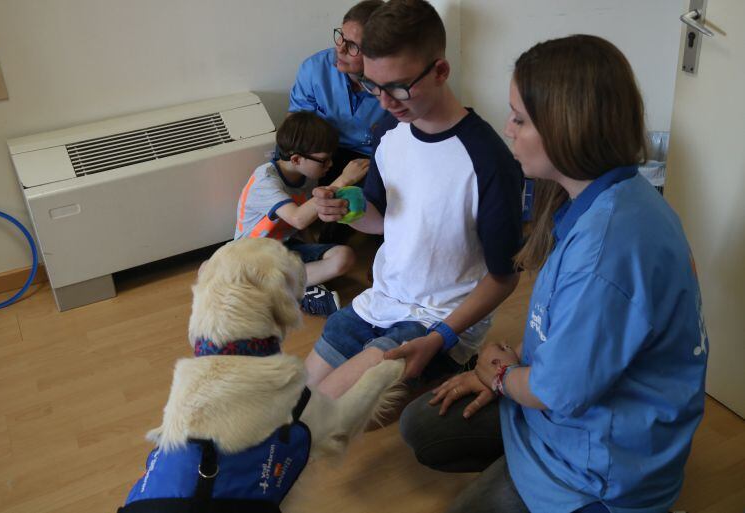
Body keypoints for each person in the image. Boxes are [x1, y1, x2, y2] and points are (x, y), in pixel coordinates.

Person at [399, 34, 709, 513]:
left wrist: (500, 375)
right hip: (563, 415)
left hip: (601, 469)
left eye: (520, 119)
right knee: (423, 424)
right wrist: (510, 367)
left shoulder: (608, 248)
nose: (508, 128)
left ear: (570, 127)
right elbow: (577, 340)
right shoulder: (609, 197)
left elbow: (556, 391)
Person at [304, 0, 524, 398]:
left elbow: (504, 277)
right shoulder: (389, 131)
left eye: (398, 87)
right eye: (373, 85)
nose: (385, 101)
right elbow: (380, 220)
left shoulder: (489, 161)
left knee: (324, 412)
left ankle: (448, 367)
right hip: (382, 301)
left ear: (441, 70)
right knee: (300, 397)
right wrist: (346, 208)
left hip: (440, 320)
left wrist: (442, 336)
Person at [234, 111, 368, 316]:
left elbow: (303, 224)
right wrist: (343, 180)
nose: (330, 165)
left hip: (287, 249)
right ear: (296, 159)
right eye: (324, 160)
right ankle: (291, 290)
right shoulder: (265, 181)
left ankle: (290, 289)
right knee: (217, 269)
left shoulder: (307, 175)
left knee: (344, 256)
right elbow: (298, 218)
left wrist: (316, 251)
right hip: (254, 255)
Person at [289, 0, 390, 244]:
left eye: (353, 46)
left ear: (377, 53)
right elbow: (297, 127)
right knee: (331, 199)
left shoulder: (391, 82)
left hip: (372, 157)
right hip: (326, 151)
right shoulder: (315, 69)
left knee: (366, 198)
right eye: (341, 37)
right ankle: (327, 246)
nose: (341, 49)